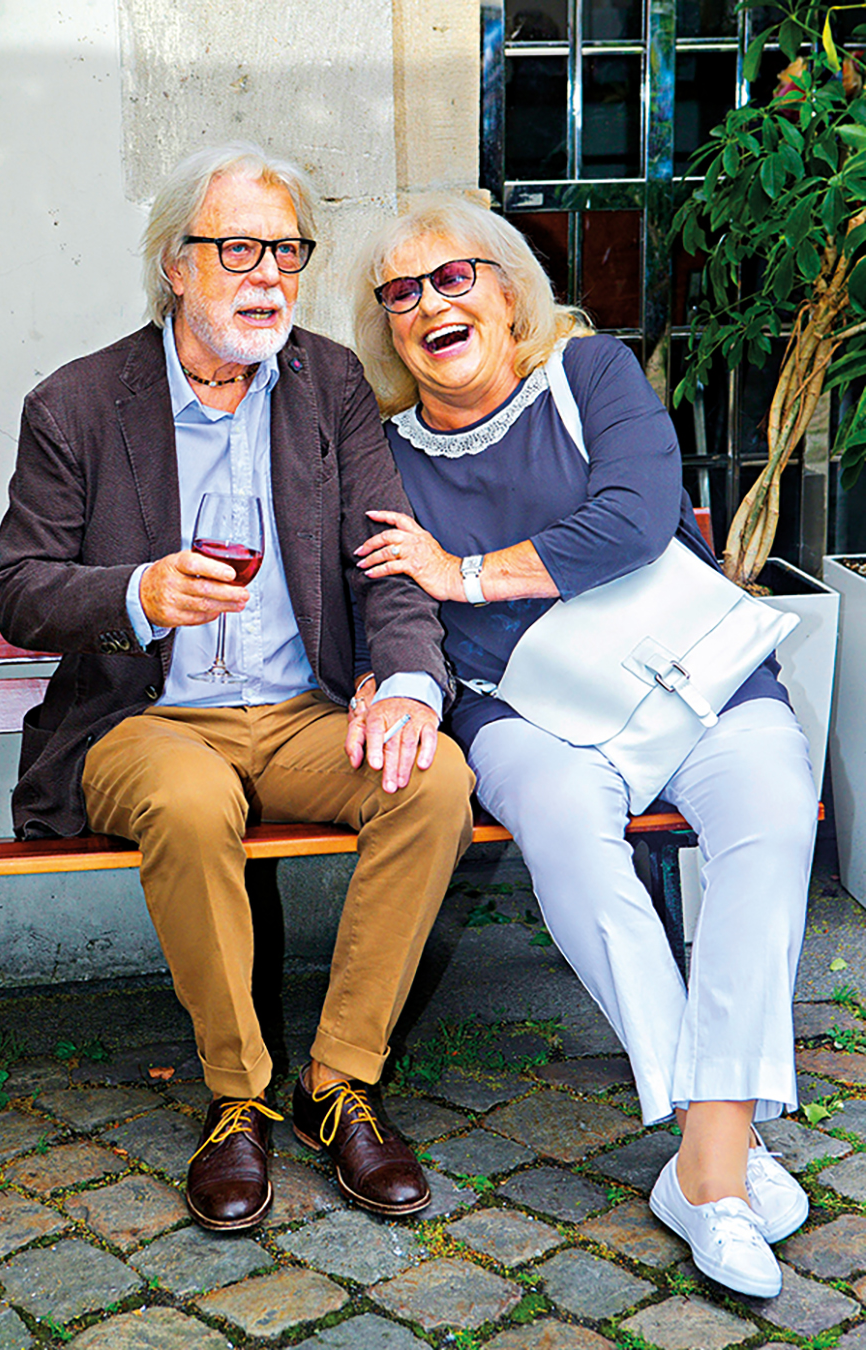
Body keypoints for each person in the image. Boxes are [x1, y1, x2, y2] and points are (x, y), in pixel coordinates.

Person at [0, 147, 475, 1233]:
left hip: (301, 714)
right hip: (145, 718)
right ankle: (238, 1096)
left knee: (433, 779)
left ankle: (338, 1083)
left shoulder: (329, 384)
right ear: (176, 264)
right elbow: (17, 588)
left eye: (287, 253)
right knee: (193, 799)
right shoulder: (76, 403)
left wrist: (405, 686)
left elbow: (385, 562)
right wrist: (139, 592)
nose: (269, 278)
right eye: (239, 250)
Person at [350, 196, 818, 1298]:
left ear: (510, 291)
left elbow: (636, 517)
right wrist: (390, 672)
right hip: (521, 708)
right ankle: (721, 1156)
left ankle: (706, 1163)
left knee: (768, 816)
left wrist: (464, 574)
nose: (429, 304)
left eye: (454, 276)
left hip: (688, 675)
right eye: (401, 293)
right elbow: (375, 595)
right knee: (568, 839)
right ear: (388, 329)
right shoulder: (383, 454)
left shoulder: (589, 375)